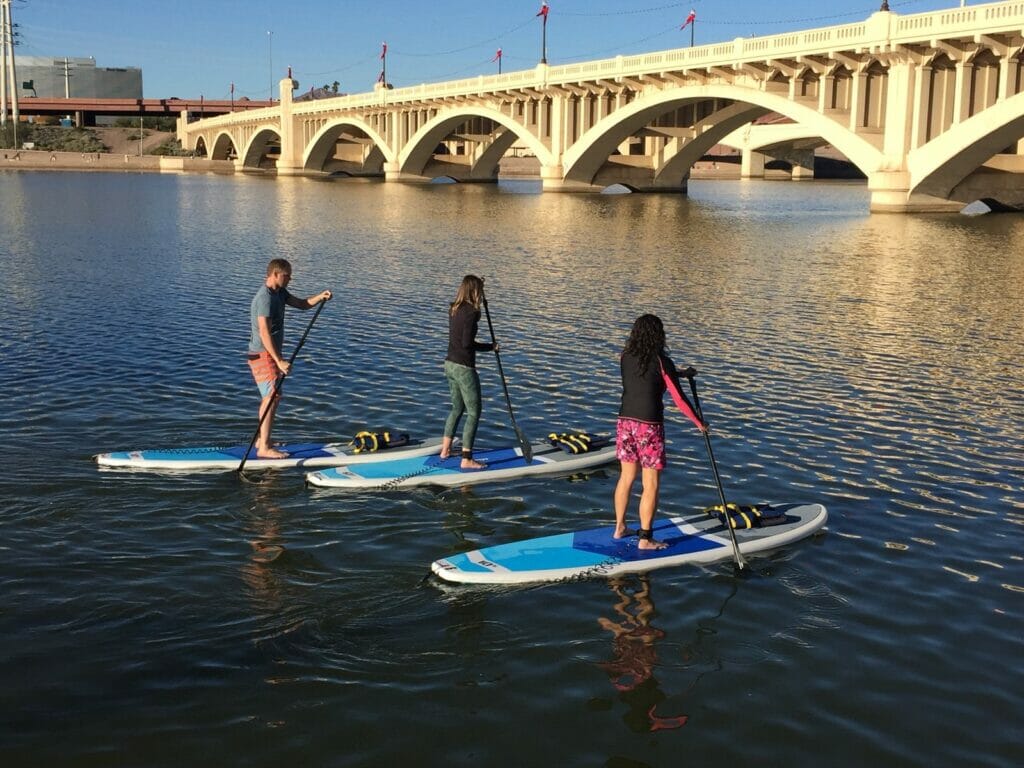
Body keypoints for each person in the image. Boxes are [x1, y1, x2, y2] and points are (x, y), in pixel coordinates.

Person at [613, 314, 702, 549]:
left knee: (626, 477)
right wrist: (700, 423)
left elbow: (646, 377)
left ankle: (620, 527)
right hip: (649, 426)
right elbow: (679, 398)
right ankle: (646, 538)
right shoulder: (663, 362)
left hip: (625, 422)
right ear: (658, 335)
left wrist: (680, 373)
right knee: (650, 483)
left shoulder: (625, 357)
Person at [247, 258, 331, 459]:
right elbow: (265, 333)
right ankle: (264, 448)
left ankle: (261, 440)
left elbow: (302, 304)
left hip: (270, 355)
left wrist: (320, 297)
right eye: (287, 276)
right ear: (275, 274)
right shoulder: (264, 298)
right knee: (272, 397)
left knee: (273, 398)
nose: (290, 279)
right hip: (263, 354)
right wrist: (279, 360)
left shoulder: (280, 293)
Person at [440, 274, 497, 469]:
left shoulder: (453, 308)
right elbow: (467, 344)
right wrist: (491, 347)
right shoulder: (472, 312)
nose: (480, 295)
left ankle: (445, 450)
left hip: (449, 364)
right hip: (464, 368)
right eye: (479, 291)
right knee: (474, 412)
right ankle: (467, 459)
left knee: (457, 408)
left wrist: (480, 282)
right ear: (474, 291)